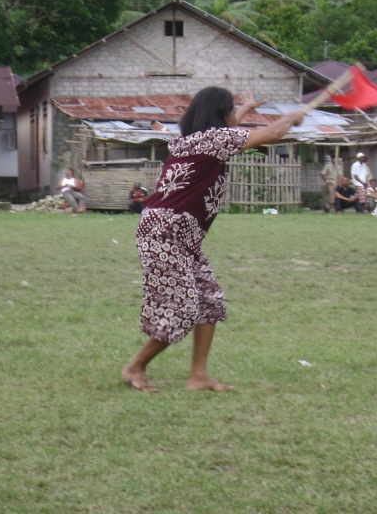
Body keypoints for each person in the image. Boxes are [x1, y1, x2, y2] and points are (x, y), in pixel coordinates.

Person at [122, 87, 304, 393]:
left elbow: (230, 129)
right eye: (231, 110)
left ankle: (198, 375)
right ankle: (135, 367)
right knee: (182, 307)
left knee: (209, 301)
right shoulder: (216, 140)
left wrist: (245, 108)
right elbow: (271, 134)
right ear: (220, 115)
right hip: (165, 232)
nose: (236, 116)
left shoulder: (194, 139)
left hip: (180, 233)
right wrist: (291, 117)